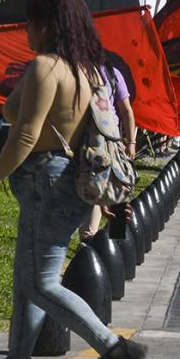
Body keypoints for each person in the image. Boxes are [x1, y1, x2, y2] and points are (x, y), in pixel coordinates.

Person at [0, 0, 146, 359]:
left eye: (30, 24)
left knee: (41, 282)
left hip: (47, 180)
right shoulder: (89, 70)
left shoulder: (47, 66)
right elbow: (18, 111)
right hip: (68, 182)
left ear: (46, 25)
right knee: (26, 281)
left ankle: (115, 350)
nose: (26, 32)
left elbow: (24, 134)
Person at [79, 62, 139, 241]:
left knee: (116, 187)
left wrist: (131, 142)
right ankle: (90, 236)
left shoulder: (112, 73)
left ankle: (116, 241)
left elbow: (126, 110)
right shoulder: (80, 70)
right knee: (97, 184)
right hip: (89, 140)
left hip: (110, 140)